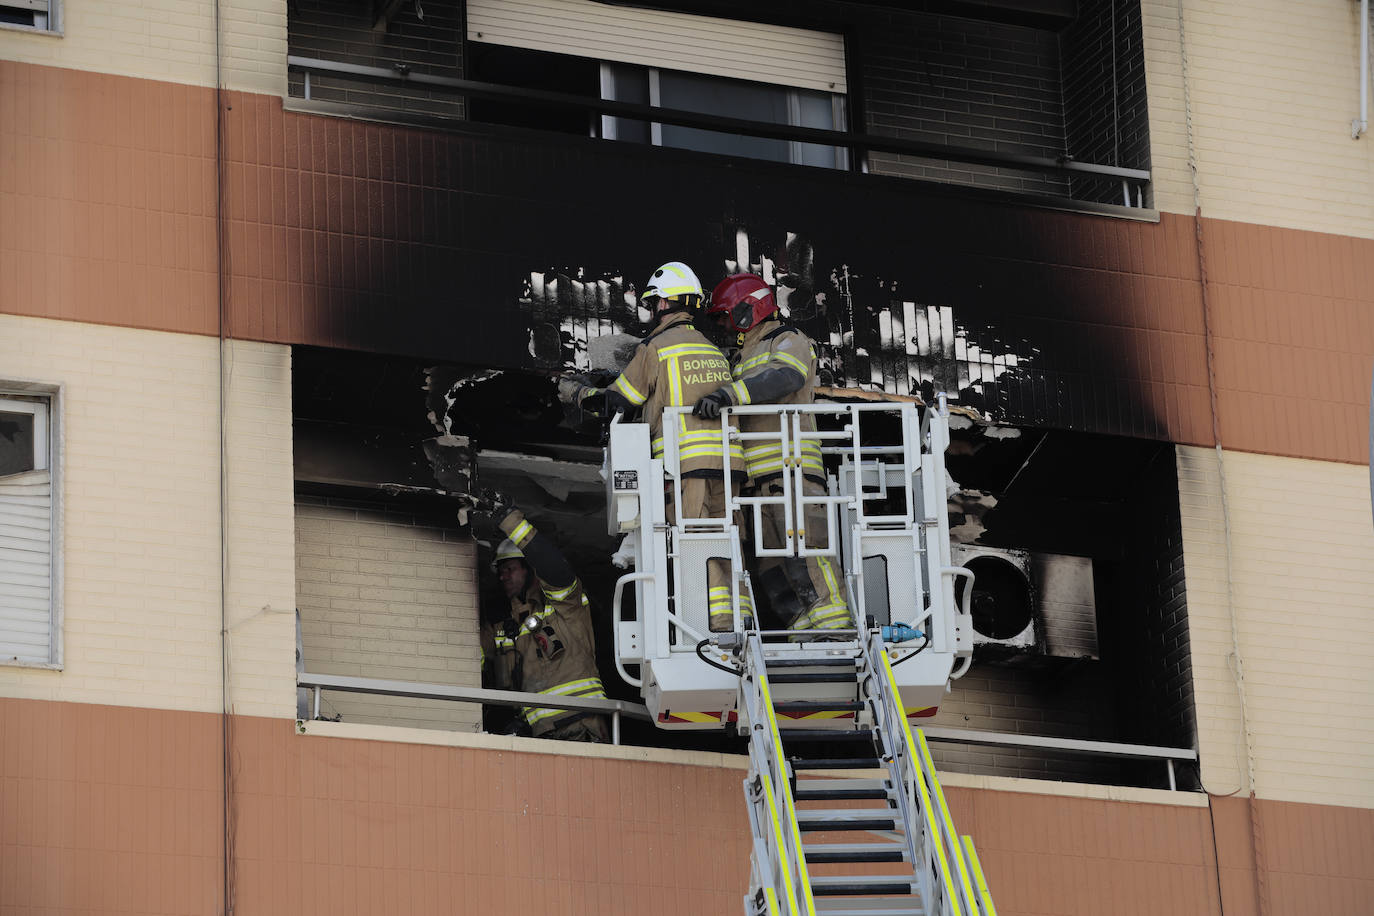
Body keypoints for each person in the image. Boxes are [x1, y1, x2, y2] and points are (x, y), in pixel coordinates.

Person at [558, 261, 752, 632]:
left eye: (652, 304)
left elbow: (619, 400)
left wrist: (578, 393)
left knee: (694, 542)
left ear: (663, 303)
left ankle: (712, 624)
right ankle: (739, 616)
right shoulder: (715, 352)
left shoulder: (656, 348)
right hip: (729, 468)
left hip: (686, 467)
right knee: (727, 540)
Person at [693, 272, 851, 635]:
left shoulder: (787, 339)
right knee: (774, 570)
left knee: (807, 554)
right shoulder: (740, 357)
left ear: (747, 309)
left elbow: (787, 377)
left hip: (791, 472)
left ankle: (835, 630)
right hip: (756, 481)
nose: (722, 326)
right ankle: (805, 633)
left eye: (724, 316)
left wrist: (729, 394)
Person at [472, 494, 610, 743]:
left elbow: (553, 567)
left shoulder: (565, 607)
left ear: (530, 570)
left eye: (510, 569)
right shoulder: (503, 628)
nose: (503, 577)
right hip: (539, 737)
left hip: (581, 727)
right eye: (500, 572)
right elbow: (470, 655)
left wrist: (510, 520)